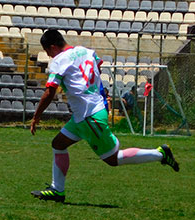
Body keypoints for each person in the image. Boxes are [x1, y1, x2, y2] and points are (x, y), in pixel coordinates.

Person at [30, 29, 179, 203]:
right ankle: (57, 190)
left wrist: (36, 116)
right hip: (84, 115)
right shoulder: (85, 51)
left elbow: (50, 91)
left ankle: (160, 154)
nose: (49, 56)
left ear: (53, 47)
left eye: (48, 51)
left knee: (113, 159)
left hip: (89, 116)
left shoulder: (59, 60)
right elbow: (98, 66)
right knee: (58, 144)